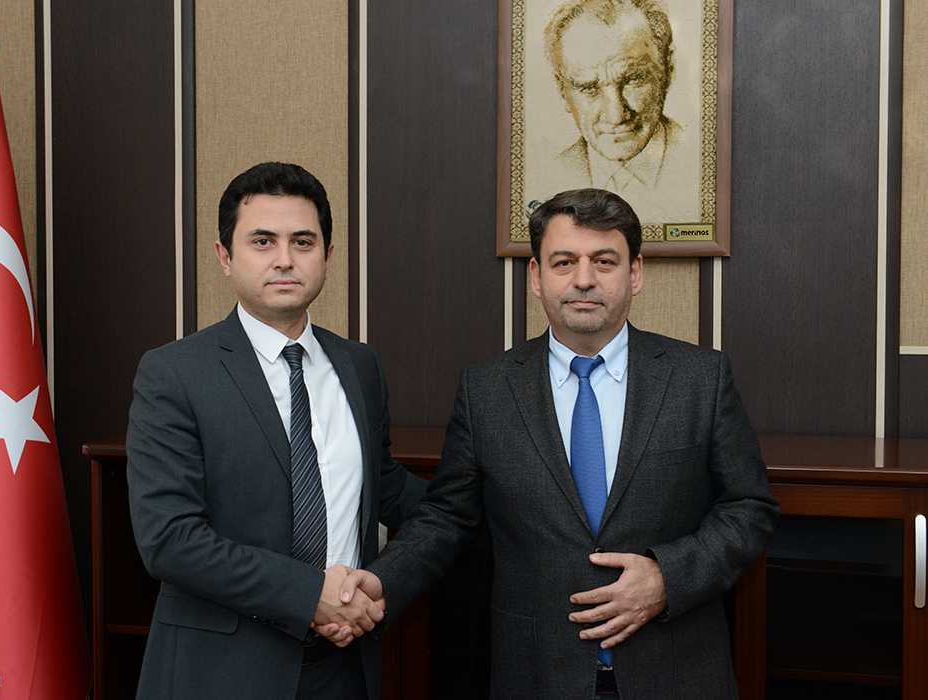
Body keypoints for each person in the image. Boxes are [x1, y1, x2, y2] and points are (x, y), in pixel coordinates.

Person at [338, 188, 780, 698]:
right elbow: (447, 517)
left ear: (635, 273)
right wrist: (383, 581)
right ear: (536, 276)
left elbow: (749, 507)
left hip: (677, 673)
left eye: (604, 261)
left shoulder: (700, 378)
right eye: (564, 261)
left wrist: (667, 578)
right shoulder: (486, 389)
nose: (584, 279)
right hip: (537, 674)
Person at [127, 161, 427, 700]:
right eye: (262, 241)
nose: (285, 259)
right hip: (222, 674)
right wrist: (312, 595)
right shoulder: (174, 372)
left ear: (328, 256)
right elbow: (169, 541)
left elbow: (382, 488)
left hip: (344, 667)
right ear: (225, 256)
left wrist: (495, 503)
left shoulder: (359, 365)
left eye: (302, 242)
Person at [545, 0, 683, 198]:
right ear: (562, 91)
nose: (616, 116)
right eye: (588, 88)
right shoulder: (552, 171)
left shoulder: (700, 157)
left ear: (668, 70)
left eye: (633, 80)